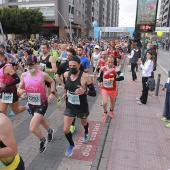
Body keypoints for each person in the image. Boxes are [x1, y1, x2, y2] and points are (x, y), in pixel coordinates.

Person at [18, 55, 55, 153]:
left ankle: (42, 140)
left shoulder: (43, 75)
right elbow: (20, 88)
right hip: (31, 104)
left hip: (42, 103)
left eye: (31, 65)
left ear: (36, 64)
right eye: (27, 65)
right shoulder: (24, 75)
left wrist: (52, 93)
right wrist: (20, 91)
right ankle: (50, 131)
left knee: (33, 127)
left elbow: (52, 82)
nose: (29, 67)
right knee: (41, 120)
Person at [62, 56, 96, 157]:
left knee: (84, 122)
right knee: (65, 129)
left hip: (82, 106)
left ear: (79, 65)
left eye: (74, 66)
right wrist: (65, 93)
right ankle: (71, 145)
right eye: (70, 66)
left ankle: (86, 132)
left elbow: (94, 92)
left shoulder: (85, 76)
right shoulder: (66, 74)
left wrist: (85, 91)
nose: (72, 68)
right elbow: (66, 86)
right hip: (70, 106)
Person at [56, 48, 84, 134]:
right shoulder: (63, 65)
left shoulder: (78, 65)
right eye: (67, 55)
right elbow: (57, 76)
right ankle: (72, 124)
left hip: (77, 89)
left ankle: (75, 121)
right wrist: (63, 85)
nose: (68, 57)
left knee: (76, 106)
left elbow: (82, 77)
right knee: (70, 106)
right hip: (67, 89)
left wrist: (83, 88)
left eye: (70, 55)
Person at [98, 55, 124, 121]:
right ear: (106, 61)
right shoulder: (103, 68)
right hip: (104, 88)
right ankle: (105, 113)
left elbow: (122, 77)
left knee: (112, 101)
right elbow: (101, 75)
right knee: (105, 102)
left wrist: (113, 79)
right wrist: (100, 81)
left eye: (112, 62)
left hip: (112, 89)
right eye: (109, 62)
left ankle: (111, 111)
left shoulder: (115, 68)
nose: (110, 64)